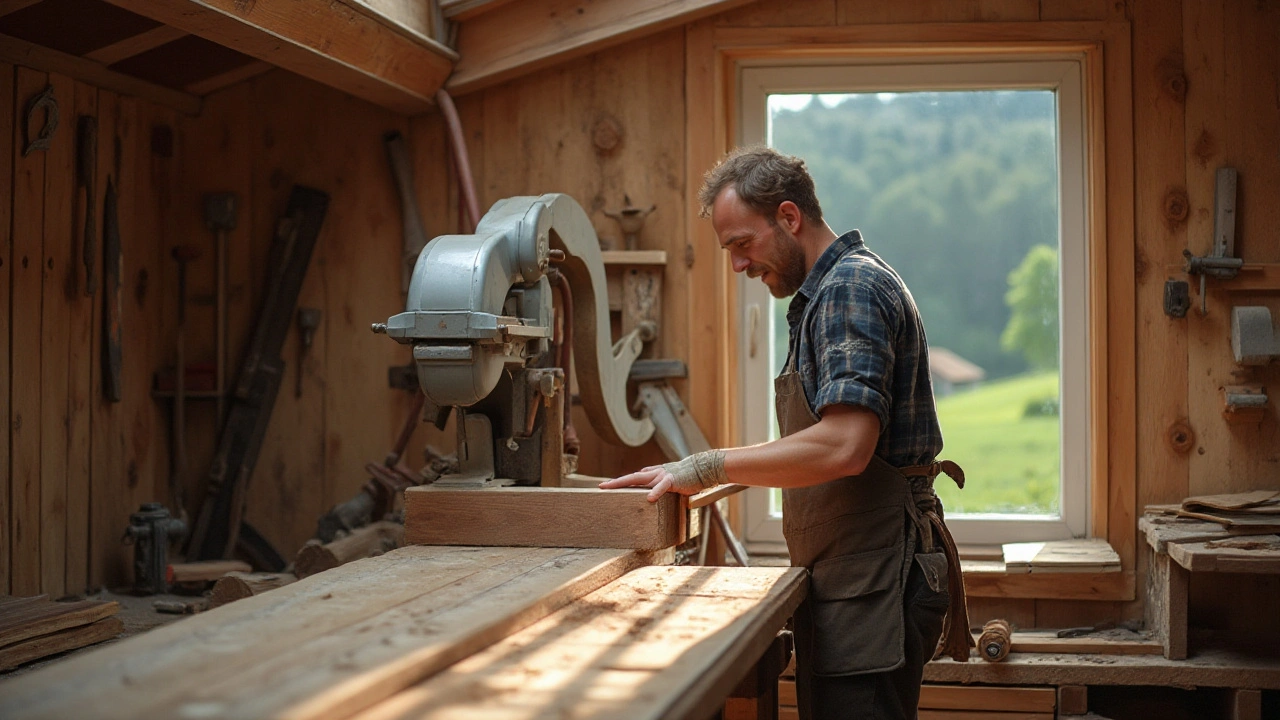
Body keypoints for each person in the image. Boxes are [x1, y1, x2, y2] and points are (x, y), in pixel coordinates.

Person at [600, 146, 972, 719]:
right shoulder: (824, 296)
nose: (738, 266)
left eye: (742, 245)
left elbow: (846, 445)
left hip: (874, 580)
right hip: (854, 577)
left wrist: (704, 467)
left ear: (790, 218)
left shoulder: (850, 289)